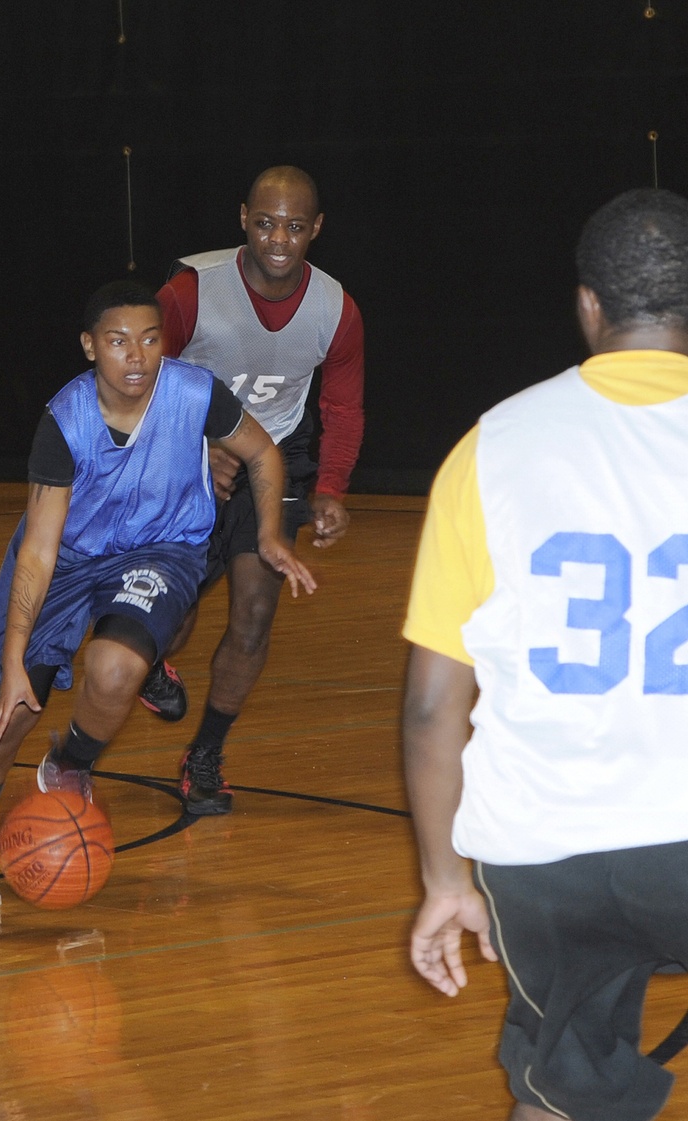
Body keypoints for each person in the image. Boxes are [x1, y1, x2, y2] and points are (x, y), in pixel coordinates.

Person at [402, 188, 688, 1121]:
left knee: (564, 1089)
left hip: (548, 849)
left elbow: (432, 707)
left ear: (588, 306)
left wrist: (446, 879)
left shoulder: (492, 445)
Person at [0, 280, 315, 888]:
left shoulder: (193, 393)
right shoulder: (64, 420)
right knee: (7, 711)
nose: (136, 355)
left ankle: (71, 763)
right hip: (68, 558)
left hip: (161, 550)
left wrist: (268, 533)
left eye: (150, 339)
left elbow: (263, 453)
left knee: (115, 669)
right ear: (89, 347)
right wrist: (13, 660)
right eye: (117, 341)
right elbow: (39, 549)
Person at [138, 164, 365, 815]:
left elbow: (344, 407)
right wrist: (190, 444)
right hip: (194, 453)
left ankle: (205, 752)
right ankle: (151, 659)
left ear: (315, 229)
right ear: (243, 218)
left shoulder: (336, 309)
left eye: (295, 226)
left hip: (279, 458)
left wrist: (330, 488)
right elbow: (137, 379)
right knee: (172, 616)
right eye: (265, 222)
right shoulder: (190, 291)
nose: (278, 239)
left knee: (255, 611)